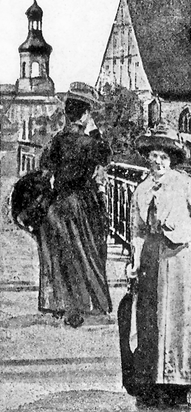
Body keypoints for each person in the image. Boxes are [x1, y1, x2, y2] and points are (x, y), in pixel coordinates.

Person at [126, 124, 191, 408]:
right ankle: (153, 385)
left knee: (179, 322)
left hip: (179, 259)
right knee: (151, 320)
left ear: (171, 158)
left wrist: (183, 231)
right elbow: (138, 230)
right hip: (152, 258)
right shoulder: (140, 190)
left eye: (163, 156)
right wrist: (134, 259)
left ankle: (179, 387)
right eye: (153, 156)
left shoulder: (184, 183)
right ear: (147, 159)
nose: (158, 161)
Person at [37, 81, 112, 327]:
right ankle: (87, 303)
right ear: (85, 114)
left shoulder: (57, 140)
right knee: (87, 252)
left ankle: (64, 304)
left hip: (58, 203)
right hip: (83, 203)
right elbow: (105, 156)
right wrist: (94, 132)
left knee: (62, 254)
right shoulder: (91, 142)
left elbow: (44, 169)